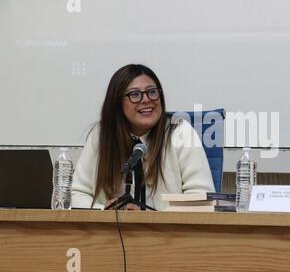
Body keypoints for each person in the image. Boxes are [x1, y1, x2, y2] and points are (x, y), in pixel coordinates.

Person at [71, 64, 215, 210]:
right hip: (111, 231)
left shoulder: (180, 132)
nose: (146, 99)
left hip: (168, 231)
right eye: (135, 94)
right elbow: (76, 194)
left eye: (152, 92)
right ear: (117, 103)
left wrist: (152, 218)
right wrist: (104, 210)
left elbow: (201, 198)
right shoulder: (101, 136)